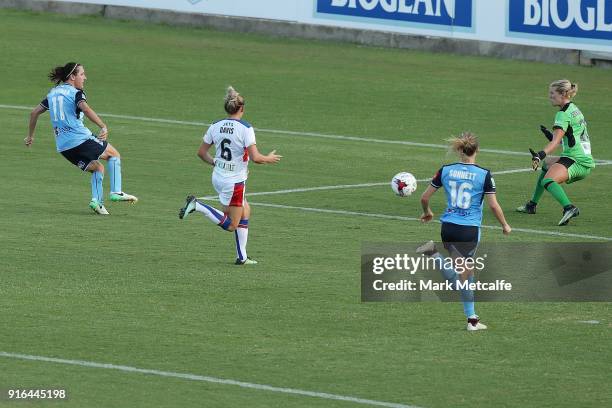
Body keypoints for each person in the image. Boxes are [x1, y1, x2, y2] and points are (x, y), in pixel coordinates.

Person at [416, 133, 511, 331]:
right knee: (463, 279)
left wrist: (428, 213)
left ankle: (472, 319)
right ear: (477, 151)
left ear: (459, 151)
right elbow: (493, 205)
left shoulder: (446, 170)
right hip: (468, 231)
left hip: (448, 228)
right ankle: (432, 253)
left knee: (467, 275)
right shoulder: (484, 174)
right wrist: (505, 225)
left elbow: (424, 198)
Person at [179, 86, 281, 265]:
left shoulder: (215, 126)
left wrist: (216, 162)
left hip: (218, 177)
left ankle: (242, 256)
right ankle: (198, 206)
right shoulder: (246, 128)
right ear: (241, 108)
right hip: (234, 183)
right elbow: (256, 158)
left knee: (246, 210)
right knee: (232, 224)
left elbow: (201, 153)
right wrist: (269, 158)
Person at [26, 62, 137, 215]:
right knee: (114, 155)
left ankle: (97, 202)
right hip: (79, 139)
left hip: (64, 147)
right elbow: (85, 108)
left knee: (98, 168)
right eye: (82, 74)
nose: (85, 78)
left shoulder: (52, 93)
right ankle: (116, 192)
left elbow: (34, 113)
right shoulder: (75, 93)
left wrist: (30, 136)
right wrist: (102, 125)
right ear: (72, 76)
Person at [516, 79, 595, 226]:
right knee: (547, 166)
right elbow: (570, 136)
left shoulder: (562, 114)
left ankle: (569, 208)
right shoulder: (574, 109)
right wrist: (551, 136)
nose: (550, 96)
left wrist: (539, 155)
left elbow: (554, 143)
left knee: (548, 180)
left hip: (576, 160)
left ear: (563, 94)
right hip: (582, 157)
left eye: (552, 93)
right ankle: (531, 205)